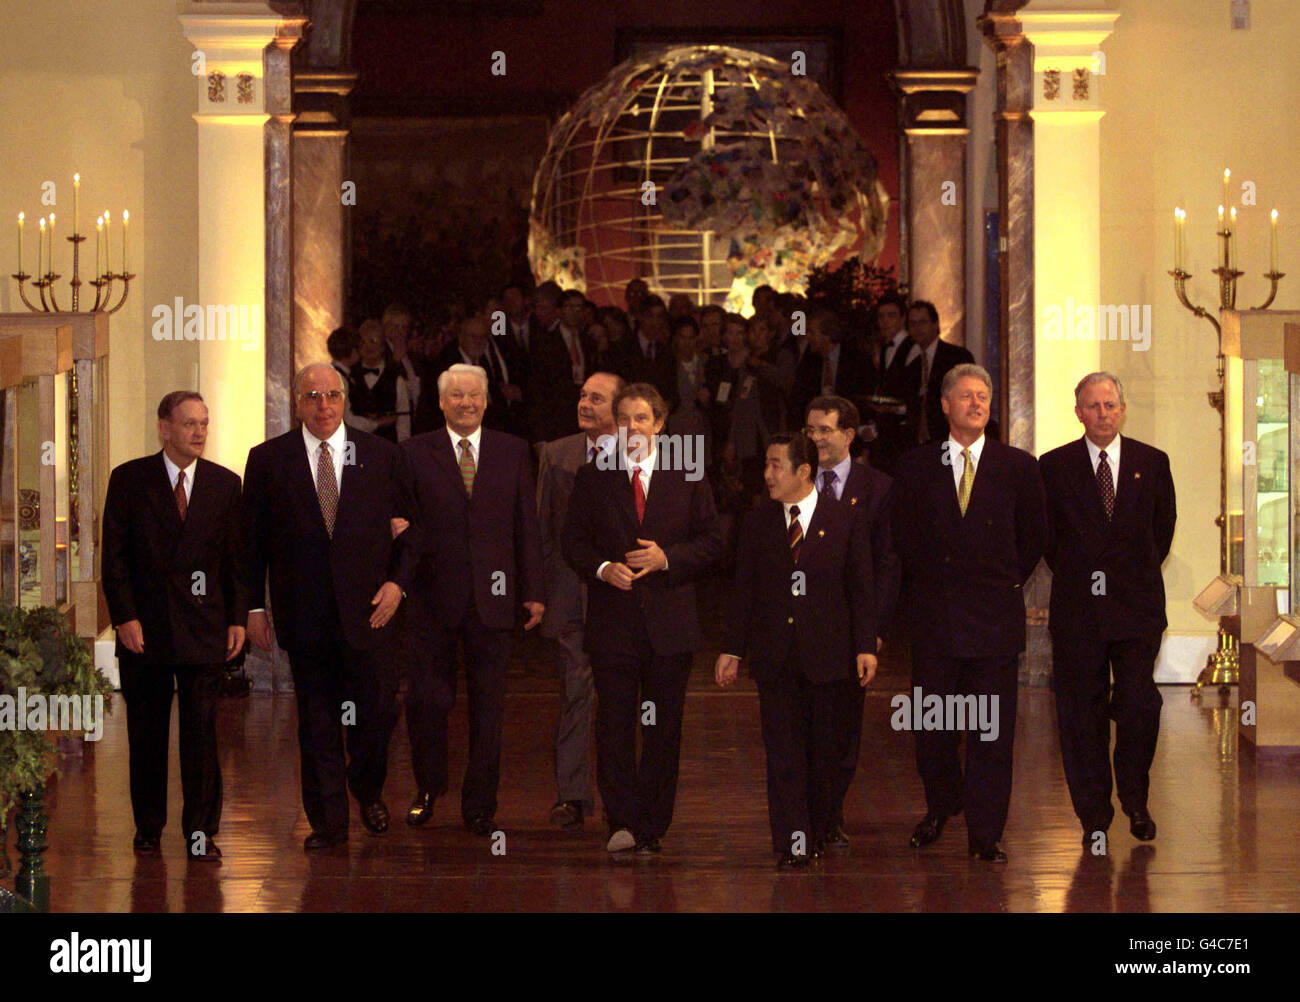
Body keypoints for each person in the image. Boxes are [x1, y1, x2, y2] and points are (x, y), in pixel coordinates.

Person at [242, 363, 418, 850]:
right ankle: (328, 823)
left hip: (371, 613)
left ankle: (367, 788)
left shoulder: (382, 456)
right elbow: (251, 542)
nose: (324, 406)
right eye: (313, 396)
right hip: (306, 616)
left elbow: (414, 531)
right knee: (318, 721)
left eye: (333, 395)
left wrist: (397, 586)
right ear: (297, 402)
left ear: (345, 400)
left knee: (377, 713)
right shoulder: (268, 460)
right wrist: (254, 607)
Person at [892, 363, 1046, 862]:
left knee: (991, 733)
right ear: (944, 405)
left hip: (994, 621)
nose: (977, 404)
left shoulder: (1018, 467)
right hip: (934, 620)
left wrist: (1001, 583)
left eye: (984, 396)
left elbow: (1032, 540)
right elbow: (904, 539)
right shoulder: (915, 467)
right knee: (933, 730)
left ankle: (986, 832)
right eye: (966, 396)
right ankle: (941, 806)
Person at [562, 383, 722, 856]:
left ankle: (653, 824)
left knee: (663, 727)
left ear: (660, 423)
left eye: (642, 419)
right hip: (613, 625)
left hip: (670, 626)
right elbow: (573, 543)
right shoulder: (595, 475)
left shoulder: (688, 471)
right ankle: (621, 821)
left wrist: (667, 558)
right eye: (625, 418)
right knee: (613, 724)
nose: (633, 428)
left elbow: (713, 541)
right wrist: (602, 569)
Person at [716, 432, 877, 867]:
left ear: (803, 472)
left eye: (775, 466)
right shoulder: (758, 522)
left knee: (824, 752)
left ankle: (821, 827)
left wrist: (866, 646)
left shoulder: (844, 519)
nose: (766, 475)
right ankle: (792, 842)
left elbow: (861, 589)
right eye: (765, 465)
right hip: (776, 656)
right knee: (783, 753)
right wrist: (732, 649)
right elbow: (743, 591)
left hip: (829, 658)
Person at [102, 391, 247, 862]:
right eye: (189, 424)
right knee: (146, 733)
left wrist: (237, 619)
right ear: (165, 428)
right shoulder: (129, 480)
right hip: (144, 630)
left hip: (204, 631)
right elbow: (115, 558)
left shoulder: (225, 485)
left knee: (202, 736)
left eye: (204, 423)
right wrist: (124, 617)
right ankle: (148, 826)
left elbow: (234, 562)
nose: (199, 432)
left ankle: (201, 831)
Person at [402, 363, 545, 835]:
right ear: (441, 402)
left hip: (495, 598)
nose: (466, 403)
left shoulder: (513, 450)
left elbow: (526, 525)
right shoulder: (413, 452)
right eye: (457, 396)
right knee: (428, 700)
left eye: (475, 396)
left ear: (487, 400)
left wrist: (534, 592)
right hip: (430, 598)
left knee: (489, 706)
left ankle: (481, 803)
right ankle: (428, 788)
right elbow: (402, 527)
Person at [1039, 372, 1176, 848]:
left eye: (1110, 405)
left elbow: (1162, 532)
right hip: (1078, 611)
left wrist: (1124, 577)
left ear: (1122, 409)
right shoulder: (1052, 467)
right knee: (1081, 714)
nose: (1103, 413)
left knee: (1139, 704)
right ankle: (1094, 814)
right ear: (1078, 412)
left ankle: (1135, 799)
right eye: (1093, 406)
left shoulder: (1151, 463)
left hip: (1137, 609)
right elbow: (1048, 539)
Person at [804, 395, 900, 848]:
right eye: (810, 430)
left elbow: (887, 564)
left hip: (850, 630)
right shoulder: (795, 478)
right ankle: (803, 815)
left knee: (842, 730)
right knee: (800, 726)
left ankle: (830, 814)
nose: (816, 438)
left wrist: (873, 629)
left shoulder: (879, 487)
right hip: (799, 626)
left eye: (824, 430)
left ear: (848, 435)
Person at [537, 371, 624, 830]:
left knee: (623, 701)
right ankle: (572, 797)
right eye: (582, 396)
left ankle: (620, 798)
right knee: (575, 694)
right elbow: (543, 529)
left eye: (597, 398)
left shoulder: (643, 454)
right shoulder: (556, 453)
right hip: (570, 596)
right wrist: (541, 595)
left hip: (623, 599)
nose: (585, 404)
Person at [906, 300, 974, 445]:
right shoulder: (912, 366)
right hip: (920, 444)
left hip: (952, 439)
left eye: (923, 322)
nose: (917, 328)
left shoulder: (957, 357)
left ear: (935, 324)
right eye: (913, 324)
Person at [348, 319, 411, 442]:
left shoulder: (396, 378)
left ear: (382, 346)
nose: (368, 346)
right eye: (363, 342)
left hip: (387, 448)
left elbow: (403, 420)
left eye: (373, 341)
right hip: (355, 447)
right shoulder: (349, 375)